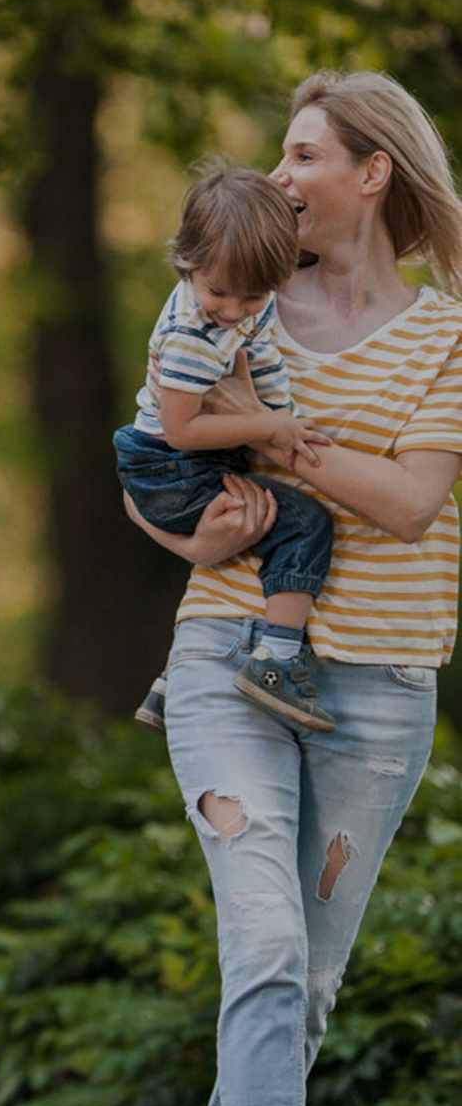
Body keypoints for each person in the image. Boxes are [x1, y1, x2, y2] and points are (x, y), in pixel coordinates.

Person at [125, 70, 462, 1106]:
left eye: (305, 153)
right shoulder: (228, 285)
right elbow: (154, 470)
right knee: (265, 939)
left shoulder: (446, 329)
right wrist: (199, 541)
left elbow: (417, 505)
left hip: (379, 682)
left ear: (371, 174)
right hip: (226, 653)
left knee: (309, 978)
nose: (279, 173)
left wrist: (274, 443)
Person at [114, 163, 336, 733]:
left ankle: (175, 679)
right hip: (174, 467)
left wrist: (274, 414)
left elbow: (256, 353)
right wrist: (269, 428)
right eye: (219, 293)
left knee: (248, 533)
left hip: (182, 460)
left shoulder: (225, 295)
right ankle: (277, 664)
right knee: (304, 524)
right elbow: (183, 429)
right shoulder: (192, 336)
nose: (234, 311)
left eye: (255, 296)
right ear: (185, 263)